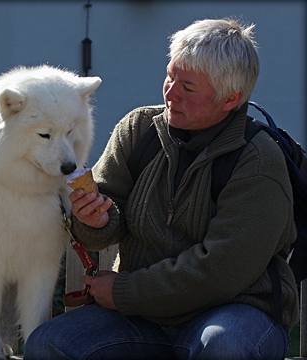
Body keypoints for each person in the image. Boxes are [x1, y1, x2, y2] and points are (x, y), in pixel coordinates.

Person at [24, 17, 299, 360]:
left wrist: (124, 292)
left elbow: (220, 272)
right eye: (170, 76)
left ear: (231, 99)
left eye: (188, 87)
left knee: (224, 348)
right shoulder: (138, 129)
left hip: (233, 311)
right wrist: (93, 219)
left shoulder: (258, 160)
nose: (170, 92)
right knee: (48, 346)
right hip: (142, 318)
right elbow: (105, 220)